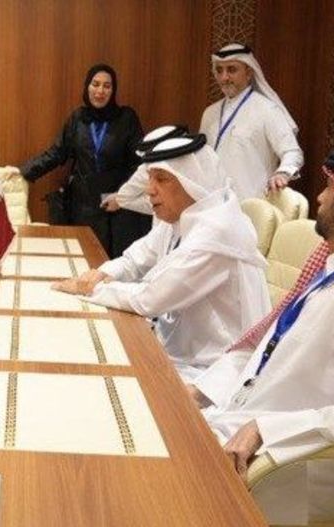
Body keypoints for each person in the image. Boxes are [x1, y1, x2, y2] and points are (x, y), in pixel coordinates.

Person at [183, 157, 334, 524]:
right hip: (236, 423)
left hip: (293, 465)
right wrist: (197, 392)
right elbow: (266, 350)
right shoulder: (326, 270)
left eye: (331, 187)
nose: (319, 196)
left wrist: (263, 430)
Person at [53, 135, 270, 381]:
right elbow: (136, 258)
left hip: (211, 371)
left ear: (192, 181)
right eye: (149, 178)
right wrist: (103, 273)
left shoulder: (215, 232)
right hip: (174, 349)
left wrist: (90, 289)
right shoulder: (182, 217)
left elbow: (149, 300)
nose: (149, 190)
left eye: (162, 179)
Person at [11, 64, 151, 257]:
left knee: (113, 262)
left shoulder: (126, 118)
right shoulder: (78, 119)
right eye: (95, 84)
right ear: (87, 87)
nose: (100, 91)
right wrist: (23, 171)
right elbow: (56, 153)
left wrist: (122, 196)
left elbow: (140, 163)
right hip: (84, 206)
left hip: (117, 206)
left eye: (107, 86)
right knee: (85, 258)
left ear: (113, 90)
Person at [199, 43, 303, 200]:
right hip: (214, 203)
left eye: (231, 70)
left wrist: (283, 173)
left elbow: (292, 152)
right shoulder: (209, 113)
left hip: (252, 205)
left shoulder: (267, 110)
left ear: (248, 72)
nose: (224, 77)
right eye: (219, 70)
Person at [104, 125, 189, 216]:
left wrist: (120, 199)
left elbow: (133, 188)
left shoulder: (157, 167)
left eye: (160, 179)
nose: (150, 190)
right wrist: (120, 200)